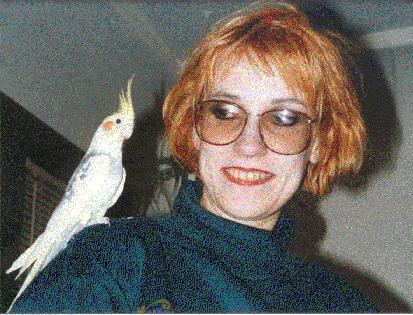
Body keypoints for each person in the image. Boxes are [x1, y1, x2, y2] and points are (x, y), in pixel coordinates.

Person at [9, 2, 378, 313]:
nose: (250, 146)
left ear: (317, 142)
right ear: (194, 130)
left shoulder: (346, 304)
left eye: (284, 119)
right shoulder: (112, 262)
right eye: (223, 113)